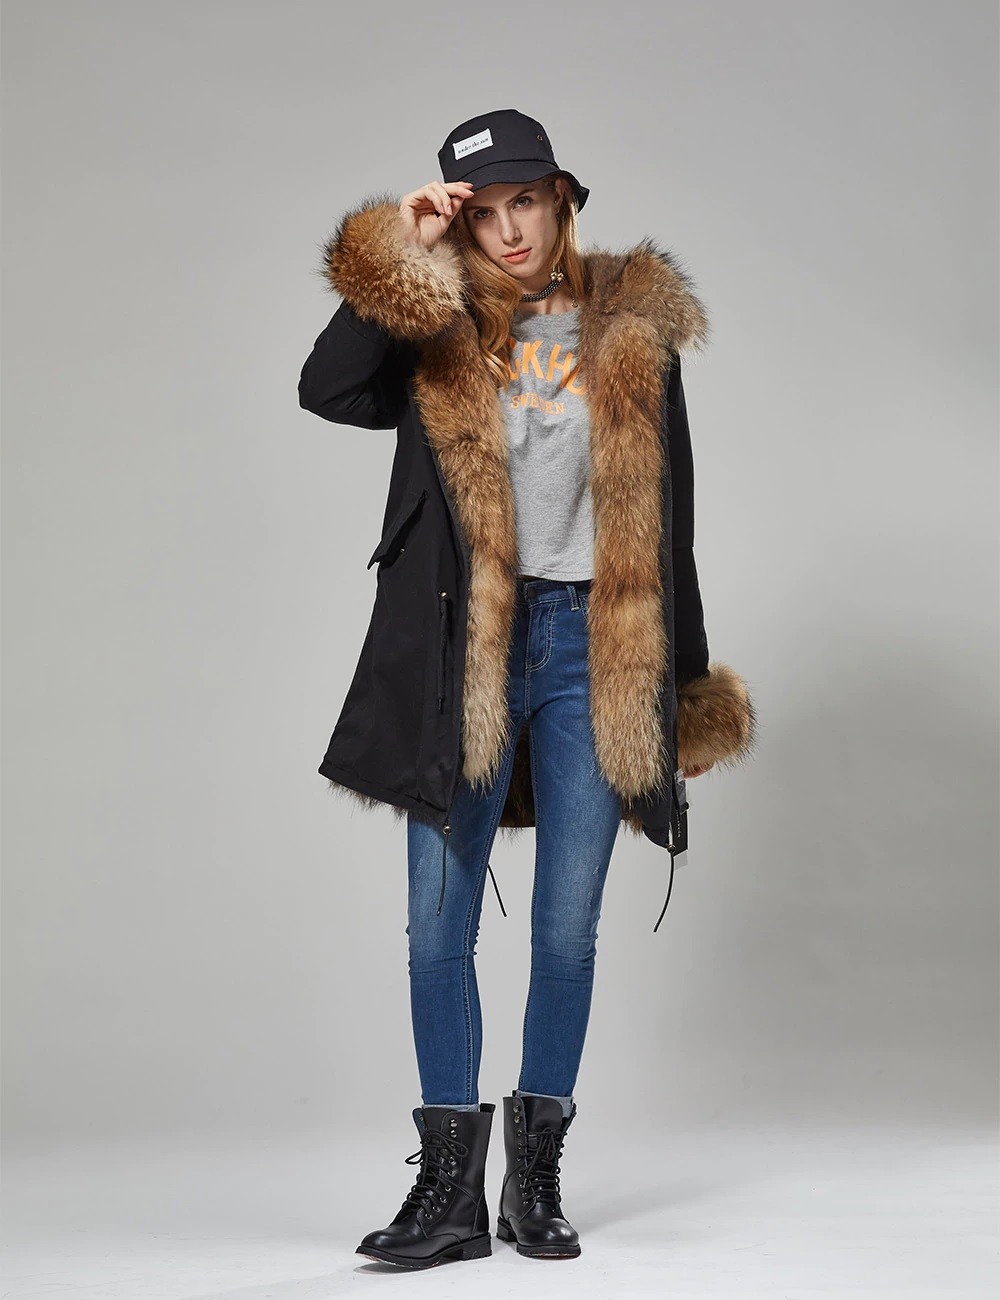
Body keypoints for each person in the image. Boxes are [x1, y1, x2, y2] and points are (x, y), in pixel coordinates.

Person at [298, 108, 756, 1269]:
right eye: (484, 211)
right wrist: (398, 252)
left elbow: (669, 525)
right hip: (465, 648)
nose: (508, 230)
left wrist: (686, 691)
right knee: (435, 926)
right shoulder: (435, 321)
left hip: (594, 647)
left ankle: (532, 1183)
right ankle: (447, 1194)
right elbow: (327, 387)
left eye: (526, 203)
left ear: (561, 201)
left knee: (565, 930)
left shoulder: (630, 325)